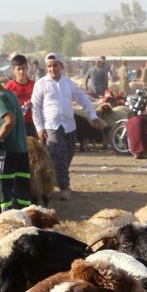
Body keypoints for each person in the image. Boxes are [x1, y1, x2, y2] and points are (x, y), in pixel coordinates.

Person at [31, 52, 102, 201]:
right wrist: (39, 127)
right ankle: (64, 187)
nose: (52, 69)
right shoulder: (41, 84)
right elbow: (35, 107)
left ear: (61, 66)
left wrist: (93, 116)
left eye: (55, 65)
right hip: (52, 126)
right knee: (59, 157)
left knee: (68, 155)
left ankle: (55, 180)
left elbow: (83, 99)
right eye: (49, 66)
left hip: (69, 126)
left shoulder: (68, 83)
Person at [0, 80, 31, 209]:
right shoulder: (11, 95)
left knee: (4, 193)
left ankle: (7, 223)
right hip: (22, 150)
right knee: (23, 195)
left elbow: (10, 121)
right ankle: (28, 224)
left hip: (7, 150)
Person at [3, 54, 36, 136]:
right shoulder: (9, 87)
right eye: (19, 69)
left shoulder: (35, 85)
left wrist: (33, 105)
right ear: (14, 70)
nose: (21, 72)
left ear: (27, 68)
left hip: (32, 124)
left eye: (23, 68)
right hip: (16, 125)